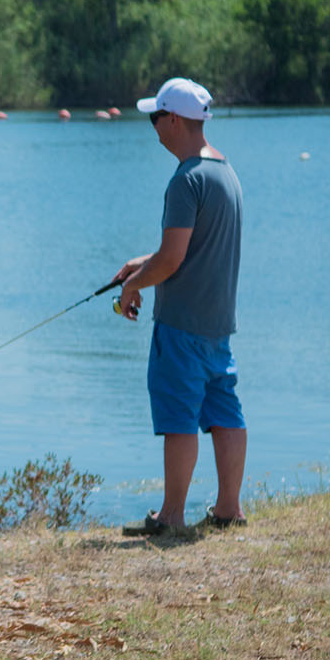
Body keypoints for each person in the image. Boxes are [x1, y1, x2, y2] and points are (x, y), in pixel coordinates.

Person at [110, 77, 247, 537]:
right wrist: (139, 265)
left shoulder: (186, 180)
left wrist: (132, 286)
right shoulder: (226, 172)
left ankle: (171, 516)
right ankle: (229, 508)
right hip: (218, 324)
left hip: (182, 325)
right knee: (224, 411)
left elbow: (172, 260)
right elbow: (190, 251)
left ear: (173, 119)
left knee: (179, 417)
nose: (153, 128)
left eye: (155, 118)